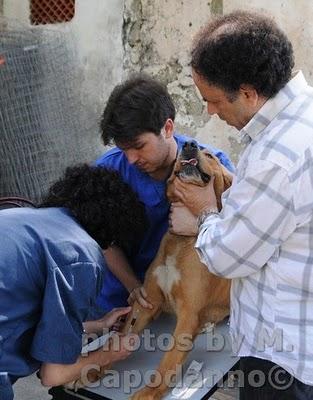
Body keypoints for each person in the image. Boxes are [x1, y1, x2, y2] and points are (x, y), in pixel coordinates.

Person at [169, 10, 313, 400]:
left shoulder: (276, 157)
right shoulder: (304, 117)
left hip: (283, 357)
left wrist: (203, 211)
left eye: (213, 101)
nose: (211, 112)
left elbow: (228, 257)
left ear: (248, 92)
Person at [0, 164, 147, 399]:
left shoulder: (22, 219)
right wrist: (109, 353)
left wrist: (97, 325)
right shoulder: (80, 254)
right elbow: (52, 374)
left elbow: (22, 313)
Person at [94, 74, 234, 312]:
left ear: (167, 128)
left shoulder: (213, 168)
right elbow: (100, 238)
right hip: (119, 301)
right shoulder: (109, 170)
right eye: (123, 149)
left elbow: (236, 235)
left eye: (139, 146)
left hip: (186, 301)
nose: (131, 159)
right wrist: (135, 287)